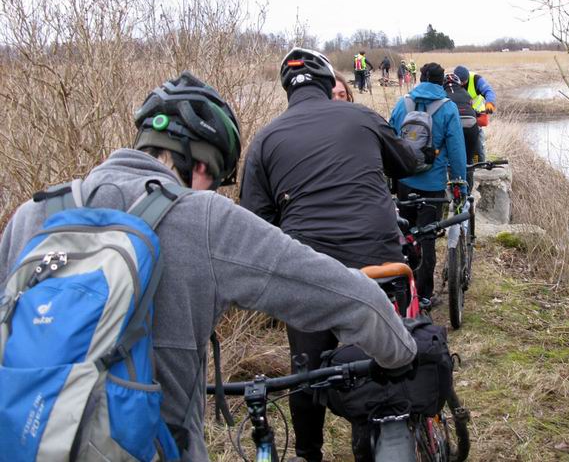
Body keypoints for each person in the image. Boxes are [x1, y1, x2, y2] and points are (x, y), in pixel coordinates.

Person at [0, 71, 417, 462]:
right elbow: (348, 297)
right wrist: (400, 355)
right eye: (217, 179)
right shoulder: (201, 217)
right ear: (202, 166)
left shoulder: (32, 216)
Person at [240, 47, 419, 462]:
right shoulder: (362, 117)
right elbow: (408, 162)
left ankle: (308, 453)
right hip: (379, 265)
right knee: (381, 360)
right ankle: (380, 433)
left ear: (287, 90)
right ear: (327, 84)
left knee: (306, 370)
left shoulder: (265, 139)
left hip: (308, 274)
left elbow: (255, 222)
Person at [389, 62, 467, 303]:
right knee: (427, 237)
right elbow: (456, 150)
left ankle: (403, 290)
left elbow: (390, 139)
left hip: (404, 180)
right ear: (442, 81)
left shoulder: (403, 103)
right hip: (432, 185)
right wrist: (460, 185)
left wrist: (391, 177)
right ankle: (423, 295)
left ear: (420, 78)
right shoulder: (448, 108)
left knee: (405, 235)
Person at [453, 65, 498, 161]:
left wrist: (490, 103)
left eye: (463, 82)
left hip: (475, 117)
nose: (461, 84)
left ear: (467, 78)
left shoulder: (476, 79)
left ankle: (479, 166)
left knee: (477, 146)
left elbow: (489, 91)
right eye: (459, 82)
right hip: (457, 117)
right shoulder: (451, 81)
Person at [444, 72, 480, 171]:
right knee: (469, 158)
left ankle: (452, 178)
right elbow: (472, 109)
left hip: (454, 126)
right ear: (459, 83)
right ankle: (470, 178)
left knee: (450, 158)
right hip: (471, 125)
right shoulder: (466, 93)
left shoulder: (442, 94)